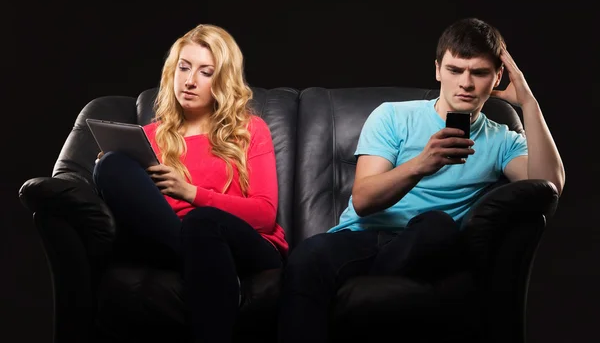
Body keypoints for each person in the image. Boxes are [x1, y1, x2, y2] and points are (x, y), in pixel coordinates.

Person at [277, 17, 565, 342]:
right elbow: (363, 200)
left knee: (436, 226)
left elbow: (547, 188)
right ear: (438, 70)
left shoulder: (503, 139)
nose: (466, 84)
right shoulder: (394, 116)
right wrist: (421, 164)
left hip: (429, 242)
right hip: (366, 237)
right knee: (307, 257)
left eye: (479, 73)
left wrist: (528, 100)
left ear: (497, 76)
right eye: (455, 70)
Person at [92, 23, 289, 343]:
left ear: (223, 80)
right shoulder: (151, 137)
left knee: (203, 221)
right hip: (176, 242)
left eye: (206, 72)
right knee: (111, 163)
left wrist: (190, 192)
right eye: (184, 67)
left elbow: (264, 214)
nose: (190, 80)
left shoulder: (248, 130)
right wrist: (111, 171)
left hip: (246, 244)